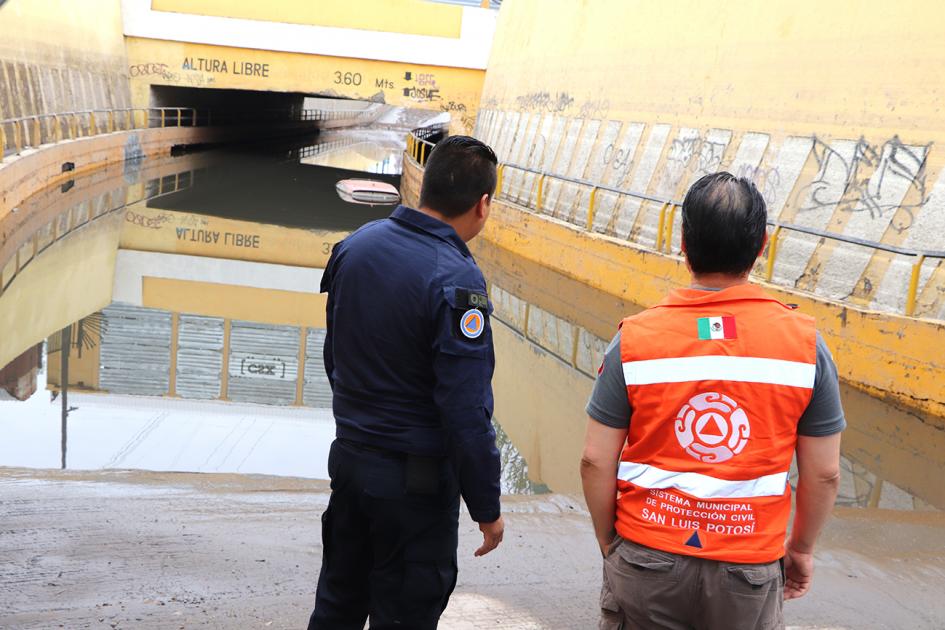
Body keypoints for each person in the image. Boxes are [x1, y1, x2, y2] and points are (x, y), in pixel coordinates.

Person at [580, 172, 844, 629]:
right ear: (762, 245)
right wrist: (799, 549)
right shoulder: (805, 347)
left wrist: (612, 544)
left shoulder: (636, 339)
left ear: (683, 244)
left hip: (646, 555)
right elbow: (824, 473)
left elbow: (594, 460)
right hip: (749, 567)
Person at [309, 135, 505, 630]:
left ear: (427, 186)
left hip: (351, 463)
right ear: (482, 205)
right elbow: (466, 409)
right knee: (406, 615)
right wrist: (486, 506)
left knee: (337, 603)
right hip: (414, 488)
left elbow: (335, 356)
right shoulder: (457, 281)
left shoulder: (356, 247)